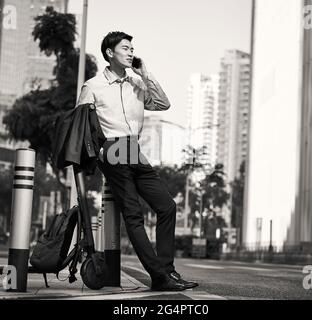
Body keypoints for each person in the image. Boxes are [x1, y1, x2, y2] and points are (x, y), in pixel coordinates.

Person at [76, 31, 198, 291]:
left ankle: (166, 271)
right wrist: (98, 154)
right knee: (133, 214)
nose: (131, 52)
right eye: (125, 48)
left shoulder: (136, 83)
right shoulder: (93, 86)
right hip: (112, 148)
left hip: (133, 148)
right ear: (110, 53)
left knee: (166, 206)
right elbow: (81, 125)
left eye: (133, 48)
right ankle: (159, 276)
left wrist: (145, 74)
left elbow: (163, 104)